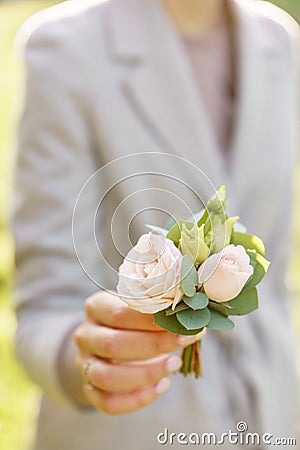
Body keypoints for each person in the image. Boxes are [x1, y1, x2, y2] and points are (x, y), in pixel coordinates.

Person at [12, 0, 299, 449]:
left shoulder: (278, 40)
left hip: (278, 420)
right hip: (131, 431)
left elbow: (273, 282)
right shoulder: (66, 47)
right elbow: (44, 309)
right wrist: (90, 362)